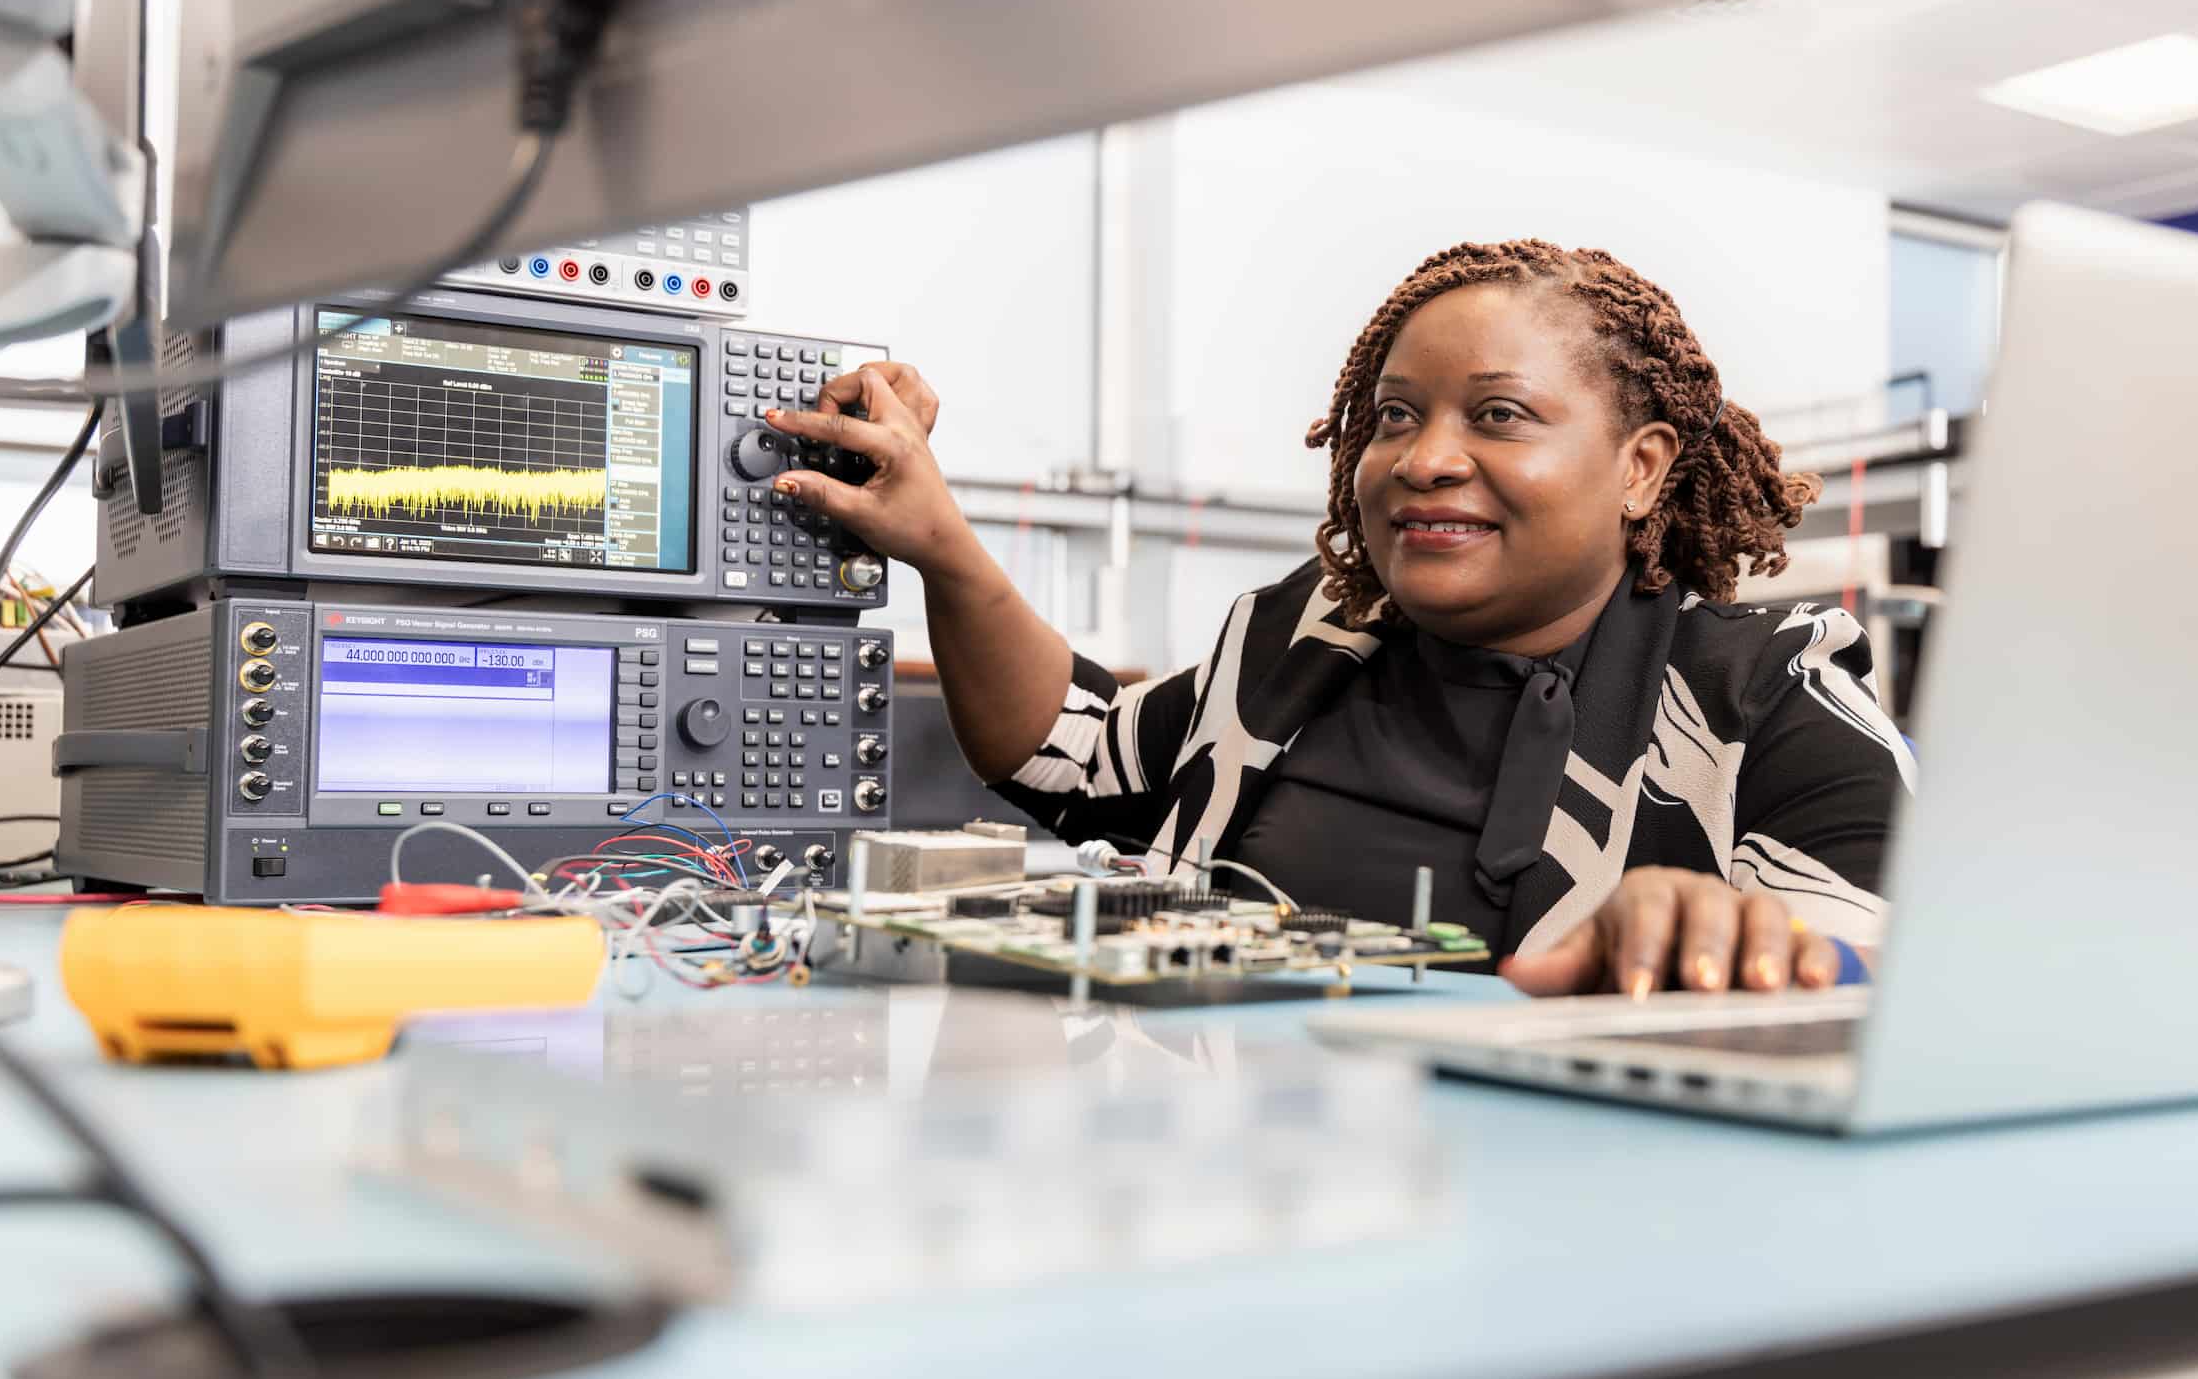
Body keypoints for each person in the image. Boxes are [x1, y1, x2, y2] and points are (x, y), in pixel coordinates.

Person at [763, 239, 1913, 995]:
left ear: (1642, 470)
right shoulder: (1304, 637)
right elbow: (1069, 756)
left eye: (1500, 416)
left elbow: (1907, 969)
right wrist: (940, 547)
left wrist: (1740, 939)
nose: (1423, 460)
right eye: (1396, 416)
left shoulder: (1771, 693)